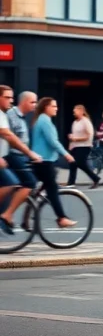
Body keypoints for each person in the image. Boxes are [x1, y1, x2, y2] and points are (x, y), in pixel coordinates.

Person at [30, 98, 76, 228]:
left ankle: (31, 209)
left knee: (50, 181)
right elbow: (52, 141)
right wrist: (66, 154)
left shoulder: (43, 119)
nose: (56, 108)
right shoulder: (44, 120)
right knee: (52, 189)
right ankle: (61, 218)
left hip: (44, 160)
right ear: (46, 107)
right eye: (53, 106)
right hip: (43, 161)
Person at [0, 86, 40, 235]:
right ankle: (6, 215)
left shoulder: (3, 115)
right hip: (9, 157)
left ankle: (6, 214)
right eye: (7, 97)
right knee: (12, 183)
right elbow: (9, 136)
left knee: (12, 183)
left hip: (5, 159)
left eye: (12, 97)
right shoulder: (5, 115)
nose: (11, 100)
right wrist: (30, 153)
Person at [65, 104, 101, 188]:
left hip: (84, 146)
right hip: (75, 146)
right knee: (72, 163)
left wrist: (76, 139)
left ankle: (95, 178)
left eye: (75, 111)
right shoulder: (75, 122)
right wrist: (71, 138)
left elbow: (89, 136)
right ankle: (71, 182)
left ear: (81, 111)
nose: (74, 112)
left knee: (80, 163)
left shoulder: (86, 121)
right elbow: (75, 134)